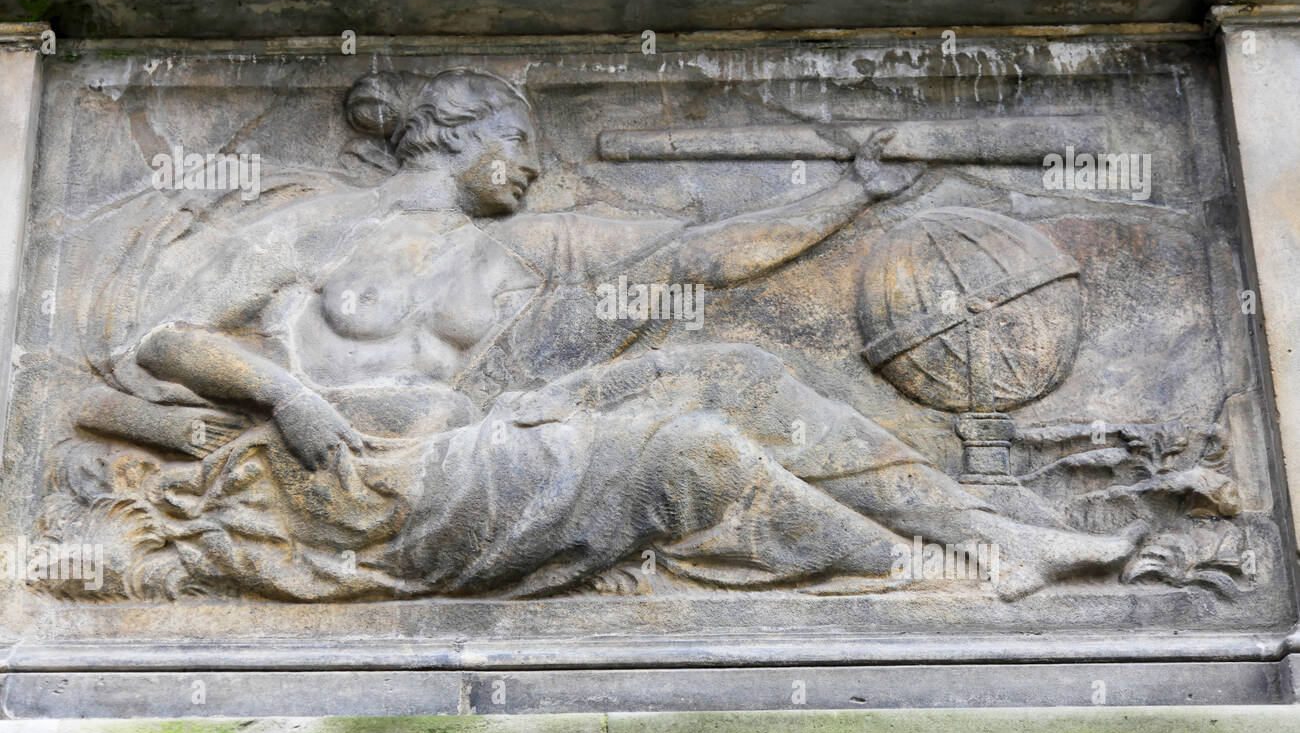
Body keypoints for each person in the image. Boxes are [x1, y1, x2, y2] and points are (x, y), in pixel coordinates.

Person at [45, 69, 1142, 602]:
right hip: (347, 480)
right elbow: (160, 338)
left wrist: (852, 193)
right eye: (517, 141)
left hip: (477, 437)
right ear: (453, 134)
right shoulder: (318, 225)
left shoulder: (526, 254)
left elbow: (698, 257)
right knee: (685, 453)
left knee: (738, 372)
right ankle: (931, 575)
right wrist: (287, 394)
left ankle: (986, 528)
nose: (532, 164)